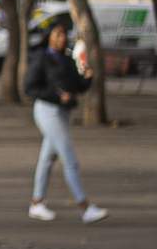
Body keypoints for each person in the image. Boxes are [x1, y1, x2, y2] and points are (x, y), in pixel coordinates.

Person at [24, 21, 107, 224]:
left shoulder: (67, 59)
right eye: (57, 34)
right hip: (47, 111)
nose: (62, 38)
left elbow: (76, 86)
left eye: (63, 34)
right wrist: (55, 96)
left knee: (47, 159)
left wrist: (87, 79)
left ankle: (37, 203)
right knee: (69, 159)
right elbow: (30, 88)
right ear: (49, 37)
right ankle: (84, 207)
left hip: (62, 113)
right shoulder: (42, 58)